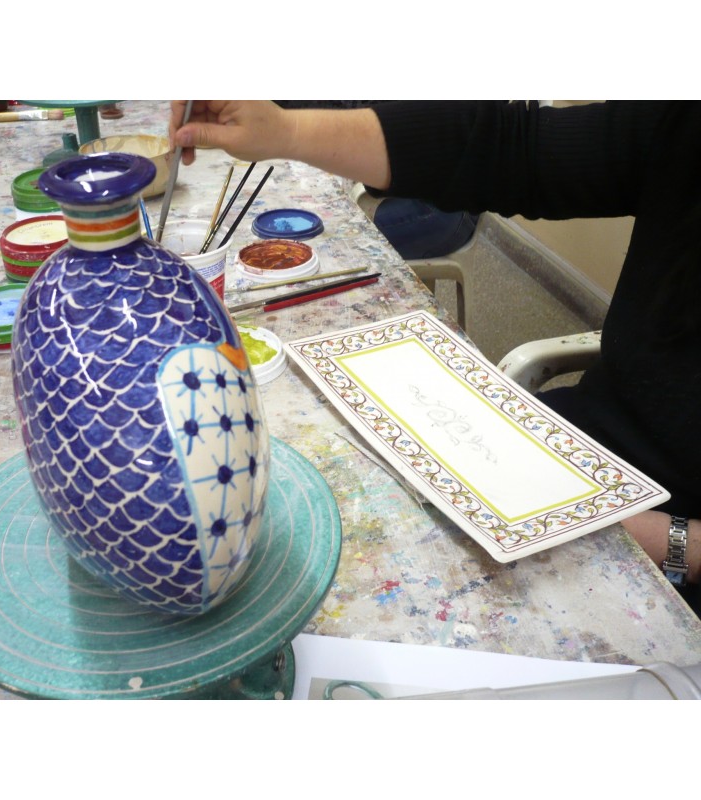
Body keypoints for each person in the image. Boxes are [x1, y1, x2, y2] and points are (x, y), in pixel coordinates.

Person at [169, 100, 701, 614]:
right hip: (579, 455)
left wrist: (671, 540)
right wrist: (285, 131)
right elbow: (510, 146)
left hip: (669, 542)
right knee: (342, 516)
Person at [275, 101, 479, 259]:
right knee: (288, 229)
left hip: (442, 205)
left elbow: (378, 123)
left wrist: (284, 123)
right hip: (400, 185)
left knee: (313, 247)